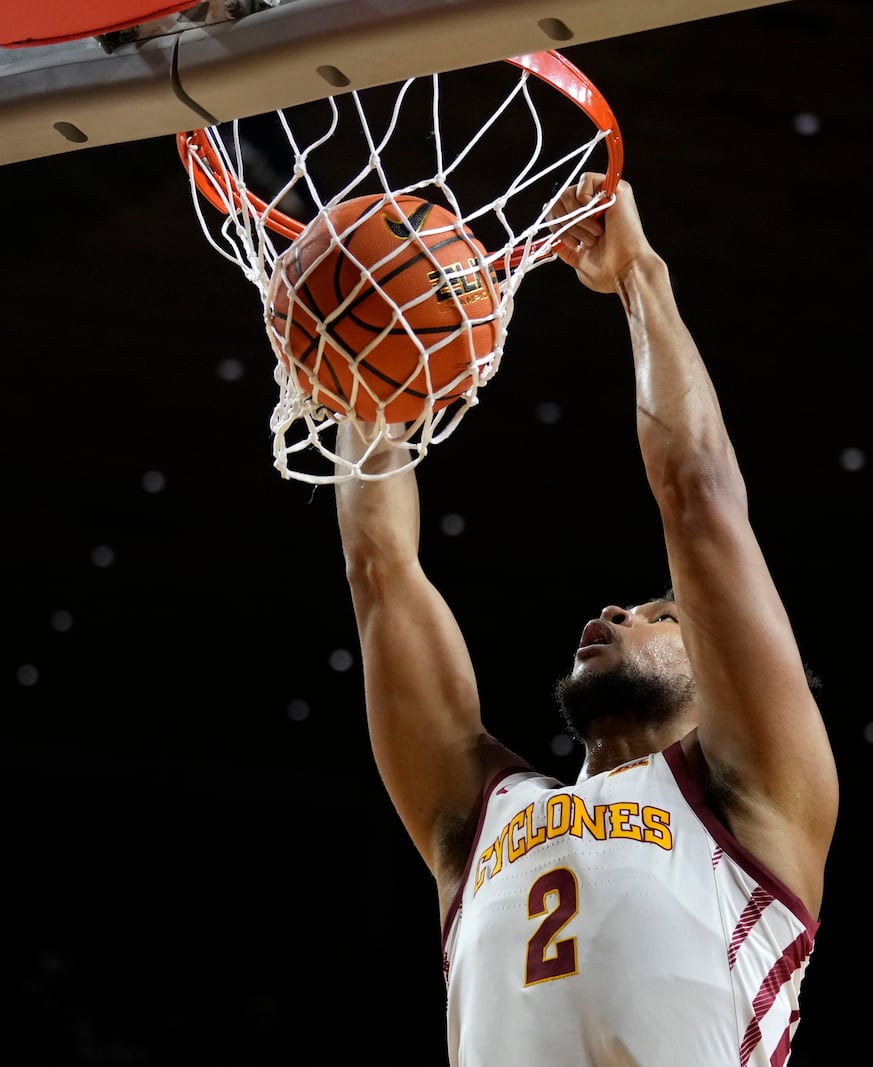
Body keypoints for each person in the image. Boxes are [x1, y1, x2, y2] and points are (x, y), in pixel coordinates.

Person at [331, 172, 840, 1067]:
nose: (616, 609)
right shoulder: (476, 818)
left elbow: (700, 498)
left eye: (659, 612)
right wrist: (369, 375)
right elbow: (382, 572)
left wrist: (640, 275)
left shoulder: (754, 793)